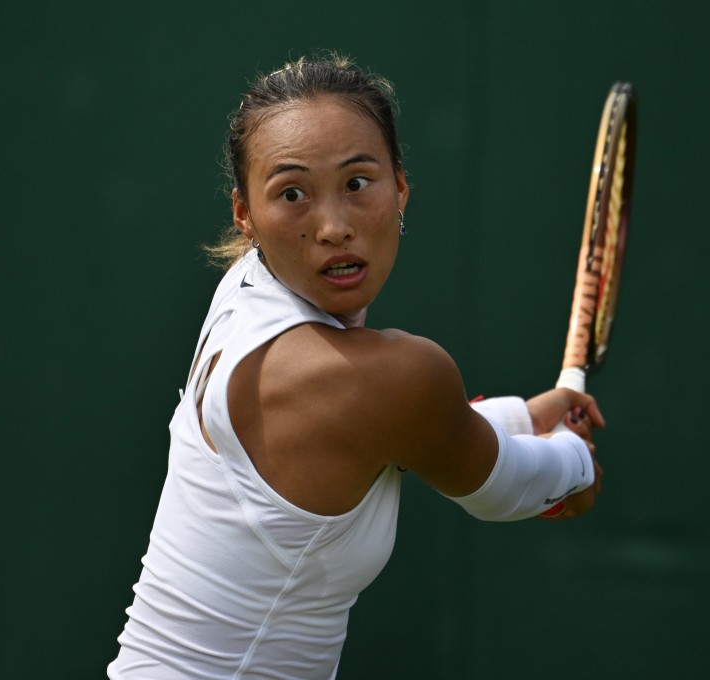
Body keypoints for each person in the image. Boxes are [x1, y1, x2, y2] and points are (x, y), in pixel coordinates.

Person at [108, 54, 605, 679]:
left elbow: (409, 430)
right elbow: (508, 486)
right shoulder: (381, 377)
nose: (333, 226)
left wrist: (525, 416)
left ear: (401, 185)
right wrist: (577, 461)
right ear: (245, 213)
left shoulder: (245, 289)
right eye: (292, 193)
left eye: (356, 183)